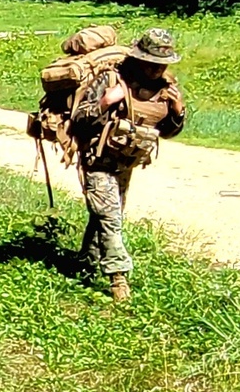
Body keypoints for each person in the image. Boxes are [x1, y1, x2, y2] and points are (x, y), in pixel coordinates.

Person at [71, 28, 186, 302]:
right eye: (152, 63)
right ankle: (119, 280)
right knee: (110, 219)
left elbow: (168, 131)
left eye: (162, 64)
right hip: (98, 162)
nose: (157, 69)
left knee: (104, 216)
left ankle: (85, 265)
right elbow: (79, 119)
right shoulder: (111, 80)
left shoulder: (167, 88)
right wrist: (105, 102)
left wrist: (178, 111)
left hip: (126, 165)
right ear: (140, 59)